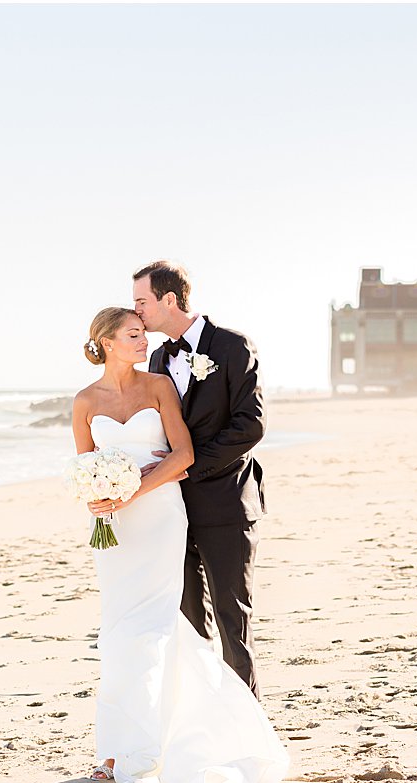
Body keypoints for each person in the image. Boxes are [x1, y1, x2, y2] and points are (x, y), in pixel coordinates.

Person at [72, 307, 288, 783]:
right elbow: (83, 466)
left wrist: (132, 491)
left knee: (157, 624)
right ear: (105, 341)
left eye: (144, 333)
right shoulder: (84, 401)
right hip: (116, 529)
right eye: (133, 334)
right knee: (119, 628)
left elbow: (183, 454)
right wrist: (97, 497)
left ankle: (163, 740)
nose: (144, 341)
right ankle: (120, 743)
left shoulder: (159, 388)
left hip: (162, 516)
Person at [132, 261, 267, 697]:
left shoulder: (231, 345)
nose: (135, 313)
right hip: (173, 511)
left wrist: (188, 465)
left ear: (169, 300)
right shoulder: (157, 358)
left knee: (233, 622)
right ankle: (205, 722)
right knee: (189, 623)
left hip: (227, 504)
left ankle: (248, 729)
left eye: (141, 302)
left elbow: (250, 426)